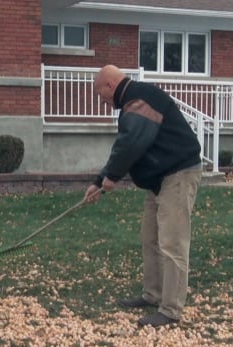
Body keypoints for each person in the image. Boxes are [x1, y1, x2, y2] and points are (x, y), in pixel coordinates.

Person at [84, 65, 203, 328]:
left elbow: (131, 143)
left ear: (110, 85)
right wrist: (98, 181)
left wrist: (111, 177)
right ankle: (153, 295)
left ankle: (171, 310)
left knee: (172, 243)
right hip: (159, 179)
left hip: (179, 175)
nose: (102, 101)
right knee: (150, 238)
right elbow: (129, 145)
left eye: (100, 94)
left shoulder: (138, 99)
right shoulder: (133, 99)